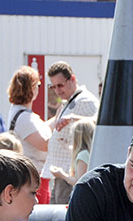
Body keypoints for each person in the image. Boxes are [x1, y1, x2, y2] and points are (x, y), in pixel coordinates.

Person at [41, 61, 99, 204]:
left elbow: (100, 122)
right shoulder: (69, 101)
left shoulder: (85, 100)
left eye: (60, 85)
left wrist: (73, 118)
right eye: (53, 87)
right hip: (61, 172)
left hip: (70, 173)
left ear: (72, 79)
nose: (57, 91)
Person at [7, 66, 52, 205]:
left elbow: (42, 129)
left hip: (34, 175)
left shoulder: (22, 113)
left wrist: (59, 119)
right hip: (33, 176)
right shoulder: (23, 117)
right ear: (31, 88)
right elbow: (44, 144)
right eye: (37, 84)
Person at [49, 117, 95, 188]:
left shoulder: (83, 155)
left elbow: (80, 182)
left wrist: (62, 174)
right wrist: (66, 145)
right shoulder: (90, 153)